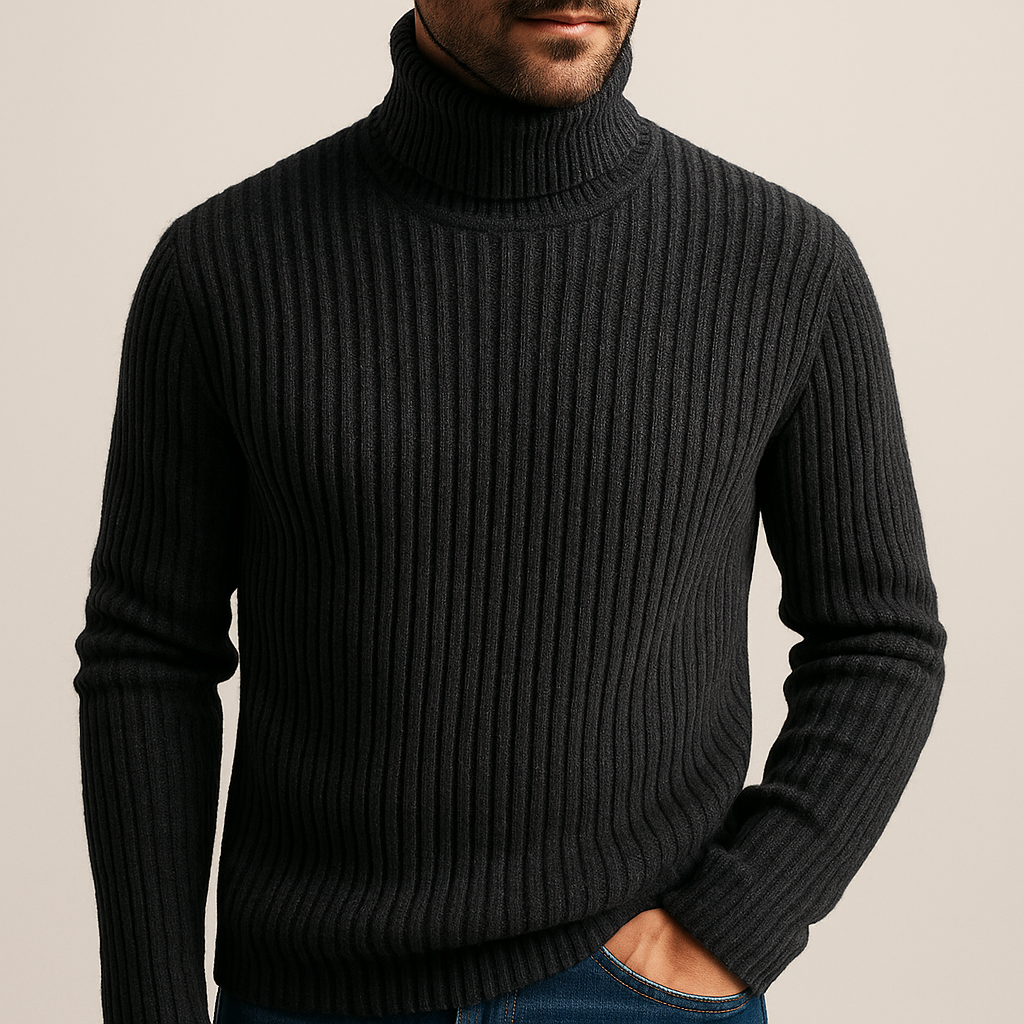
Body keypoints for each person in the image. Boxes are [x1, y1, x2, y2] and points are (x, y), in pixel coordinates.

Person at [74, 2, 946, 1023]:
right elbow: (151, 656)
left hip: (637, 995)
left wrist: (734, 924)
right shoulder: (224, 267)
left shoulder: (784, 265)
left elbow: (879, 638)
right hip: (314, 994)